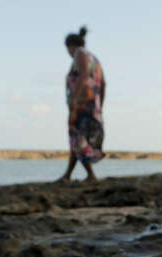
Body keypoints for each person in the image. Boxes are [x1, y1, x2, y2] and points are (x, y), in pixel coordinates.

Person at [58, 26, 106, 183]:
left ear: (70, 46)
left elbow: (84, 74)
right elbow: (103, 84)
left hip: (82, 105)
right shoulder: (95, 59)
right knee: (79, 138)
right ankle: (69, 174)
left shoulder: (80, 54)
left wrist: (74, 98)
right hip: (93, 105)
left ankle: (87, 175)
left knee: (77, 137)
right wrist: (100, 106)